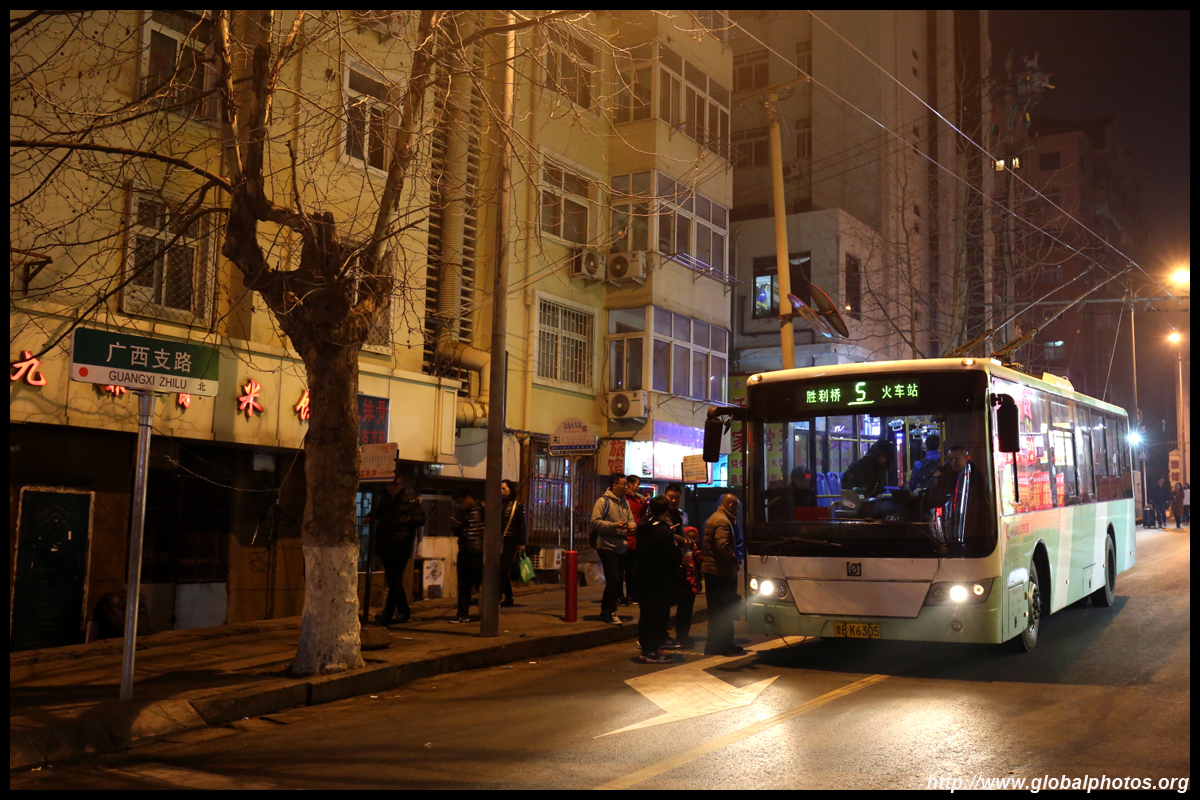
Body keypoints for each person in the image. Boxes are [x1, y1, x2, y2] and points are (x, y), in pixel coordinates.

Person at [370, 470, 427, 625]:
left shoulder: (410, 500)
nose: (392, 488)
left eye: (395, 485)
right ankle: (404, 611)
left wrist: (409, 519)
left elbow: (421, 519)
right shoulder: (384, 498)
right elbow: (378, 512)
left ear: (402, 486)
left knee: (395, 579)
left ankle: (388, 612)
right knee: (392, 579)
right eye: (390, 484)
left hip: (402, 544)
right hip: (385, 543)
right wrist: (369, 517)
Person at [634, 496, 683, 664]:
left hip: (643, 577)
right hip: (659, 579)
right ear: (666, 511)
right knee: (658, 617)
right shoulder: (663, 531)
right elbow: (674, 555)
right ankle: (653, 652)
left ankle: (646, 649)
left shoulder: (644, 525)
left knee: (646, 615)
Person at [702, 493, 744, 656]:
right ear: (731, 506)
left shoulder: (719, 518)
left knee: (722, 608)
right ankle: (716, 645)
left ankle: (725, 642)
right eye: (737, 507)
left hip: (717, 571)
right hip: (718, 572)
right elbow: (722, 545)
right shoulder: (722, 521)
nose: (737, 511)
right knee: (720, 610)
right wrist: (734, 562)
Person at [591, 473, 634, 625]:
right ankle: (612, 612)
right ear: (614, 485)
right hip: (605, 545)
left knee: (616, 580)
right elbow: (595, 521)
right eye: (624, 484)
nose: (626, 487)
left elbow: (631, 520)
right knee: (614, 580)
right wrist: (614, 525)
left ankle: (605, 609)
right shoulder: (603, 501)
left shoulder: (625, 502)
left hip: (621, 545)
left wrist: (631, 526)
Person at [449, 488, 485, 623]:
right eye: (457, 503)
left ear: (468, 497)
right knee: (463, 584)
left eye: (461, 502)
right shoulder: (461, 512)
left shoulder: (482, 508)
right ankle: (462, 614)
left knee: (481, 583)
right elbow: (459, 532)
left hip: (479, 551)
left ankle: (488, 612)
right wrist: (455, 527)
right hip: (464, 551)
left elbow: (492, 528)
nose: (460, 505)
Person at [674, 525, 703, 650]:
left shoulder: (694, 551)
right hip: (685, 584)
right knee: (683, 611)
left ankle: (684, 633)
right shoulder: (682, 551)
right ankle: (681, 634)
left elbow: (700, 563)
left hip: (692, 585)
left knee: (687, 611)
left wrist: (696, 552)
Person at [621, 474, 648, 606]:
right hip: (626, 536)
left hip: (635, 536)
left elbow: (640, 515)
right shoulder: (624, 499)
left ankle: (632, 594)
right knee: (626, 568)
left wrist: (644, 503)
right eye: (637, 484)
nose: (638, 487)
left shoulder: (637, 498)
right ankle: (622, 596)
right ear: (630, 484)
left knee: (633, 568)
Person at [499, 479, 526, 607]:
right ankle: (509, 597)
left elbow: (522, 525)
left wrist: (522, 543)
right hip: (499, 541)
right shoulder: (497, 504)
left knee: (502, 569)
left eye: (504, 488)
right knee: (500, 570)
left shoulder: (517, 505)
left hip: (511, 541)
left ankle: (497, 597)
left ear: (510, 490)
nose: (501, 491)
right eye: (500, 488)